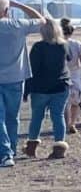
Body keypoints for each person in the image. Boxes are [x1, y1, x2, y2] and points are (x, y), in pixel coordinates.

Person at [0, 0, 45, 167]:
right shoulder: (18, 25)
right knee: (13, 117)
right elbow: (42, 20)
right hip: (16, 78)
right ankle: (10, 150)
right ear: (7, 10)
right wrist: (19, 5)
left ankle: (5, 153)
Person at [22, 19, 70, 159]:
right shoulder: (63, 45)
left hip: (40, 87)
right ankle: (59, 146)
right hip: (61, 85)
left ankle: (31, 146)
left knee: (37, 117)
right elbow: (69, 58)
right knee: (58, 116)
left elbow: (32, 70)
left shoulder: (38, 47)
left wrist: (26, 90)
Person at [60, 19, 81, 133]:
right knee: (75, 101)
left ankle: (65, 123)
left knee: (64, 102)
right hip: (75, 73)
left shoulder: (56, 43)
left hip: (61, 74)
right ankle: (72, 123)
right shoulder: (78, 44)